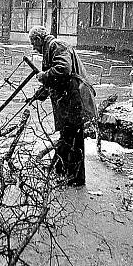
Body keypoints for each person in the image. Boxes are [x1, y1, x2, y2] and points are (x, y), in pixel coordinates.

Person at [28, 25, 94, 187]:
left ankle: (76, 178)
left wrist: (43, 76)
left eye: (33, 43)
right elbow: (56, 78)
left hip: (75, 98)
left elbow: (63, 70)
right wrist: (40, 93)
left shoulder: (56, 46)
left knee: (73, 138)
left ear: (38, 39)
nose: (33, 47)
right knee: (67, 136)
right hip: (69, 100)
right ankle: (61, 170)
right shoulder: (52, 49)